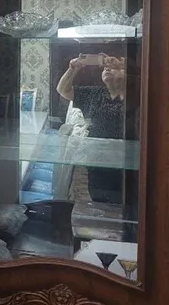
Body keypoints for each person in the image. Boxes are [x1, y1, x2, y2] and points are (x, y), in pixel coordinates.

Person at [56, 53, 131, 203]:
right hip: (98, 163)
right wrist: (73, 69)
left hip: (128, 165)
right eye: (105, 68)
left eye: (114, 68)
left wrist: (124, 73)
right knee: (100, 202)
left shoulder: (137, 96)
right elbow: (63, 90)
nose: (107, 69)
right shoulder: (93, 93)